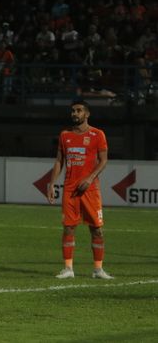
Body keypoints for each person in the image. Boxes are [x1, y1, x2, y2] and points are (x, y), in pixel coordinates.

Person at [46, 100, 112, 279]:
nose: (75, 114)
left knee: (96, 229)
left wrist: (90, 178)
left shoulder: (98, 134)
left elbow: (103, 160)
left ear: (87, 114)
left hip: (90, 190)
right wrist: (52, 183)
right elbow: (59, 161)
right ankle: (68, 269)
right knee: (68, 228)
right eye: (73, 111)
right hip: (70, 189)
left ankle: (98, 270)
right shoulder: (65, 135)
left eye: (79, 111)